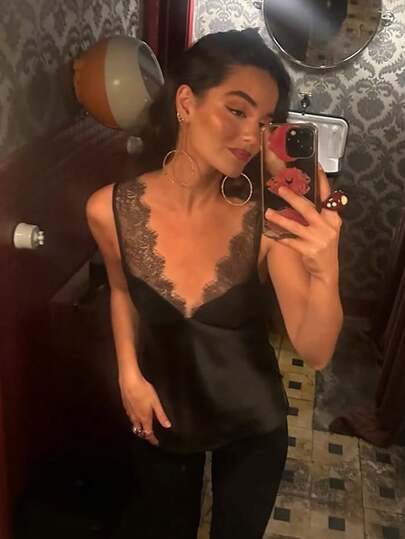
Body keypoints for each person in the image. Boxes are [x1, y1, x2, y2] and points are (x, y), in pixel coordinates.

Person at [86, 28, 343, 539]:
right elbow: (121, 291)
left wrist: (327, 269)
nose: (251, 136)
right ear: (186, 103)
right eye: (237, 110)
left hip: (253, 425)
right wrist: (129, 376)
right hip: (163, 410)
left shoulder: (266, 223)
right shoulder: (108, 209)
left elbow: (315, 352)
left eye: (265, 123)